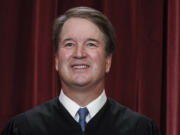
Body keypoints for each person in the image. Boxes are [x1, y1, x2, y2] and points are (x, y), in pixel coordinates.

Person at [1, 7, 160, 135]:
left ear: (108, 61)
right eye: (69, 44)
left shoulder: (140, 129)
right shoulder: (22, 129)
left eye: (91, 44)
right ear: (56, 60)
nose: (79, 54)